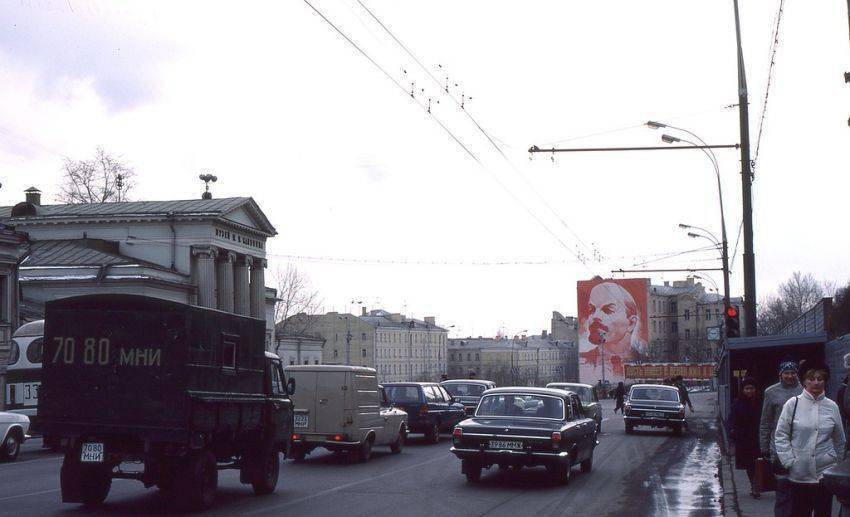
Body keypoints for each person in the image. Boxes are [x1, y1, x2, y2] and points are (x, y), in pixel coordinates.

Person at [774, 361, 845, 517]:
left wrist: (835, 461)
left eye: (820, 379)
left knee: (823, 513)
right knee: (799, 512)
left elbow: (839, 439)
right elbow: (781, 435)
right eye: (811, 378)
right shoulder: (792, 404)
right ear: (803, 381)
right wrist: (789, 461)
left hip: (824, 474)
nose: (816, 382)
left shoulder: (832, 406)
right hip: (799, 474)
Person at [579, 281, 648, 381]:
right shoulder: (583, 363)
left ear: (631, 323)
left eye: (608, 310)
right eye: (591, 310)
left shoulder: (644, 360)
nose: (595, 316)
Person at [760, 360, 803, 517]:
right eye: (786, 373)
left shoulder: (804, 390)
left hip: (801, 446)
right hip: (778, 447)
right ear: (780, 375)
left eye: (793, 373)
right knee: (783, 488)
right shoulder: (771, 392)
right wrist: (764, 447)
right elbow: (766, 421)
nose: (790, 376)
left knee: (800, 490)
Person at [730, 377, 762, 498]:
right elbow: (732, 420)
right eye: (747, 388)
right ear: (743, 390)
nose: (749, 391)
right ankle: (754, 484)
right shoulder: (737, 403)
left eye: (751, 388)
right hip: (744, 438)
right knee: (749, 464)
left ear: (755, 389)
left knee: (758, 462)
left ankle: (757, 484)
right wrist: (733, 435)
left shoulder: (760, 402)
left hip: (758, 437)